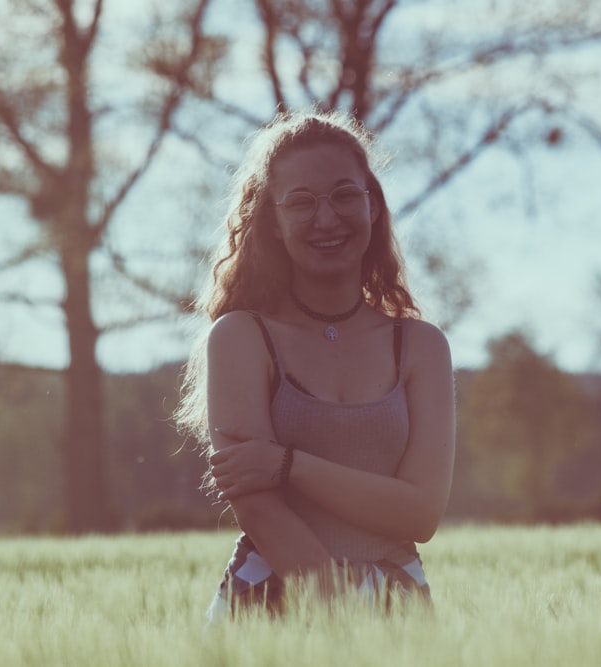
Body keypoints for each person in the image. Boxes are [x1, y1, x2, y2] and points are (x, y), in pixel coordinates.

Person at [175, 109, 455, 621]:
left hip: (399, 605)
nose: (327, 218)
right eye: (301, 202)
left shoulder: (421, 346)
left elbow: (421, 512)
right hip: (271, 605)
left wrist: (289, 464)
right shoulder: (241, 338)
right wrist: (341, 617)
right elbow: (256, 505)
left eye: (345, 195)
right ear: (273, 223)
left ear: (373, 207)